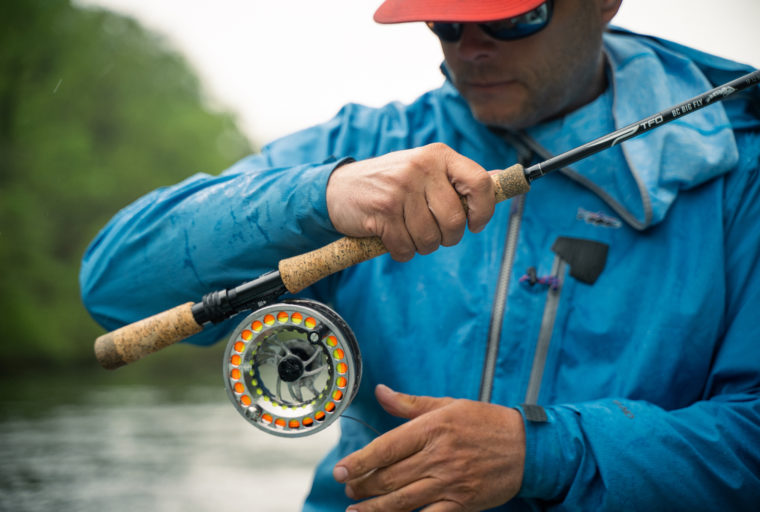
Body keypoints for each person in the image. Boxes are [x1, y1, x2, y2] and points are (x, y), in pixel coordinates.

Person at [80, 0, 760, 510]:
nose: (472, 49)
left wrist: (541, 453)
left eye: (513, 18)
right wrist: (323, 193)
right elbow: (115, 286)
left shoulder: (740, 172)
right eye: (446, 22)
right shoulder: (373, 143)